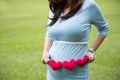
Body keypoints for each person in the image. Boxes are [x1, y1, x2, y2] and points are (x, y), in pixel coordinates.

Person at [42, 0, 109, 80]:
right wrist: (46, 52)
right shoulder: (56, 5)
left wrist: (91, 50)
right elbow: (50, 34)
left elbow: (104, 28)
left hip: (77, 74)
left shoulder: (89, 5)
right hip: (52, 74)